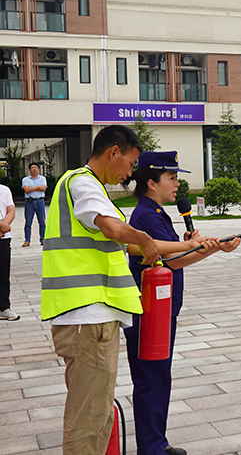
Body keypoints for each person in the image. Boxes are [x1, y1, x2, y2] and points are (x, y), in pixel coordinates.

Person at [41, 126, 197, 454]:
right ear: (114, 152)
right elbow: (113, 229)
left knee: (98, 416)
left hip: (94, 315)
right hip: (88, 315)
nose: (130, 173)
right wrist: (142, 237)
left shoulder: (87, 185)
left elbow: (119, 245)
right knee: (90, 419)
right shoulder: (82, 182)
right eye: (131, 163)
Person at [124, 151, 240, 455]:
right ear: (151, 182)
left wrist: (209, 247)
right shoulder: (146, 215)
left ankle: (157, 443)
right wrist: (211, 249)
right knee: (151, 378)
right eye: (172, 178)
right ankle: (151, 449)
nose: (177, 184)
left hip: (160, 309)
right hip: (148, 311)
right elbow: (172, 261)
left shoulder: (156, 212)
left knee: (159, 375)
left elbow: (174, 257)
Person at [0, 181, 18, 321]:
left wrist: (4, 227)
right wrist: (2, 226)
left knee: (3, 274)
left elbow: (11, 210)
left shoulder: (4, 189)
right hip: (3, 232)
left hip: (3, 238)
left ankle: (4, 307)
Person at [22, 162, 47, 247]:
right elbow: (27, 190)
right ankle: (27, 240)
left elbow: (43, 188)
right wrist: (37, 188)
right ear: (29, 170)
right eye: (32, 168)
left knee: (42, 221)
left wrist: (31, 188)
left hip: (40, 201)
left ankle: (43, 239)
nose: (34, 169)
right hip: (29, 202)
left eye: (36, 167)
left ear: (38, 169)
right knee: (28, 222)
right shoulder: (25, 179)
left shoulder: (42, 178)